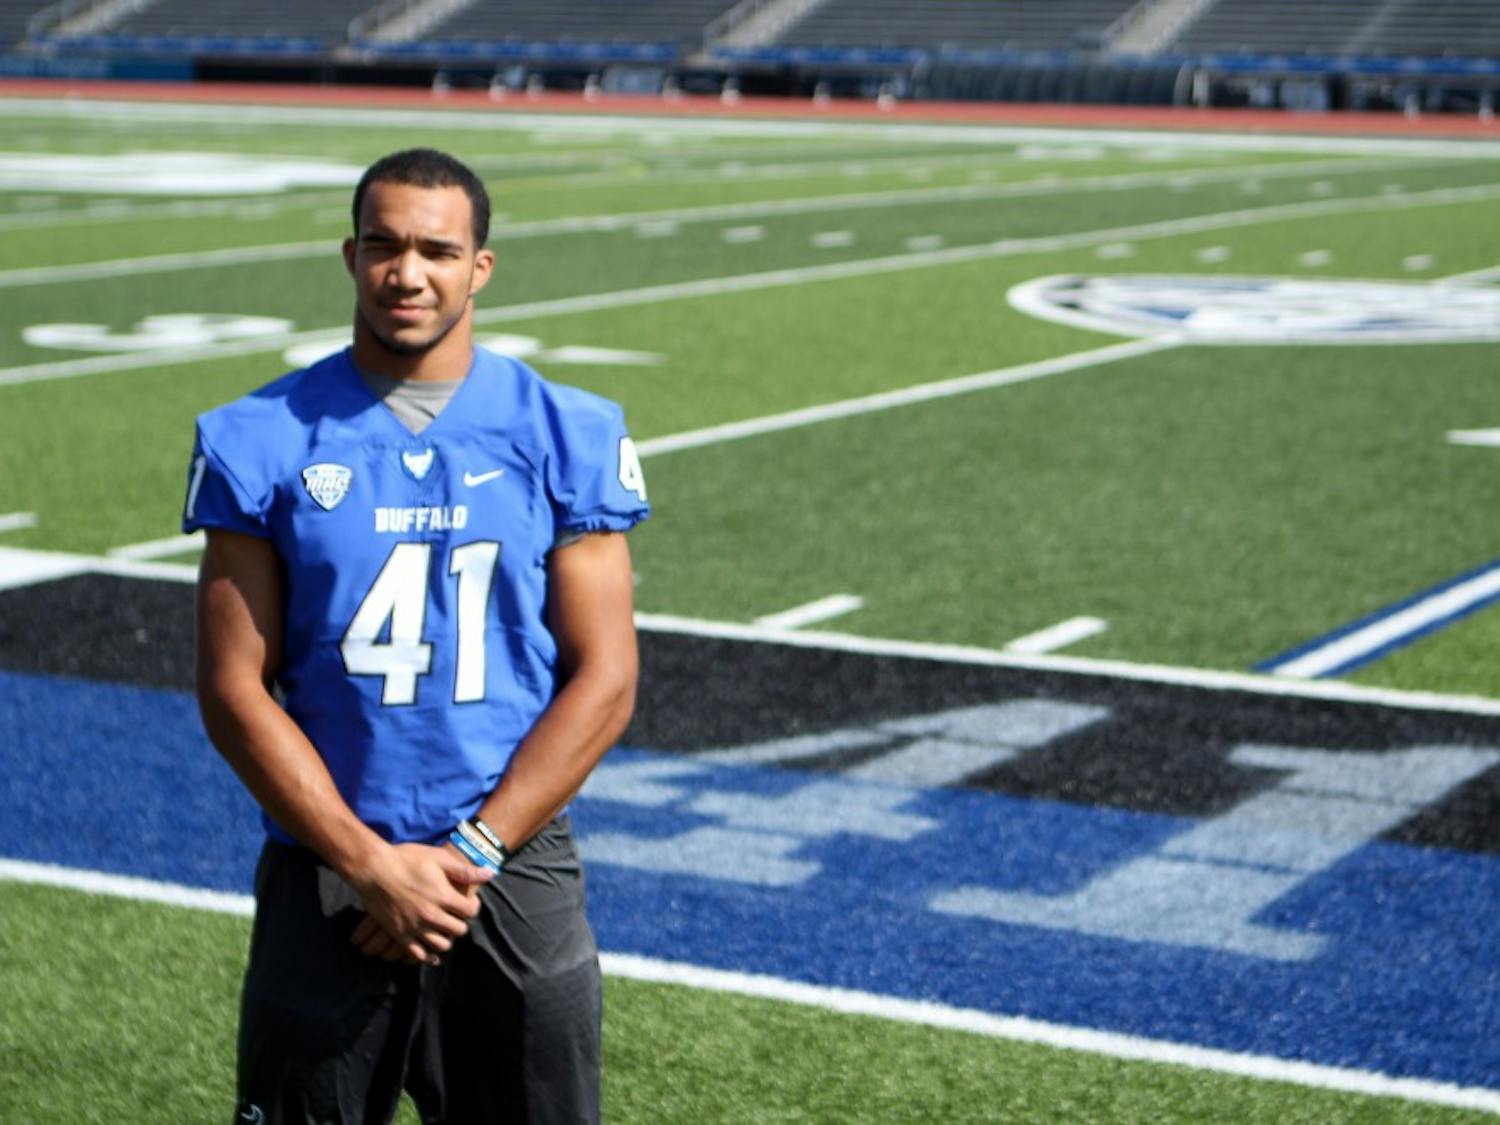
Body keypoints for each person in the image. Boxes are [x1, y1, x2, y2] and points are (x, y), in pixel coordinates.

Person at [184, 148, 649, 1124]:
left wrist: (471, 850)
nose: (409, 273)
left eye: (438, 250)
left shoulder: (569, 431)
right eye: (386, 247)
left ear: (480, 267)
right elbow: (234, 688)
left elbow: (605, 677)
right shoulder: (257, 436)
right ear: (350, 256)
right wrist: (366, 862)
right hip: (327, 862)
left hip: (509, 861)